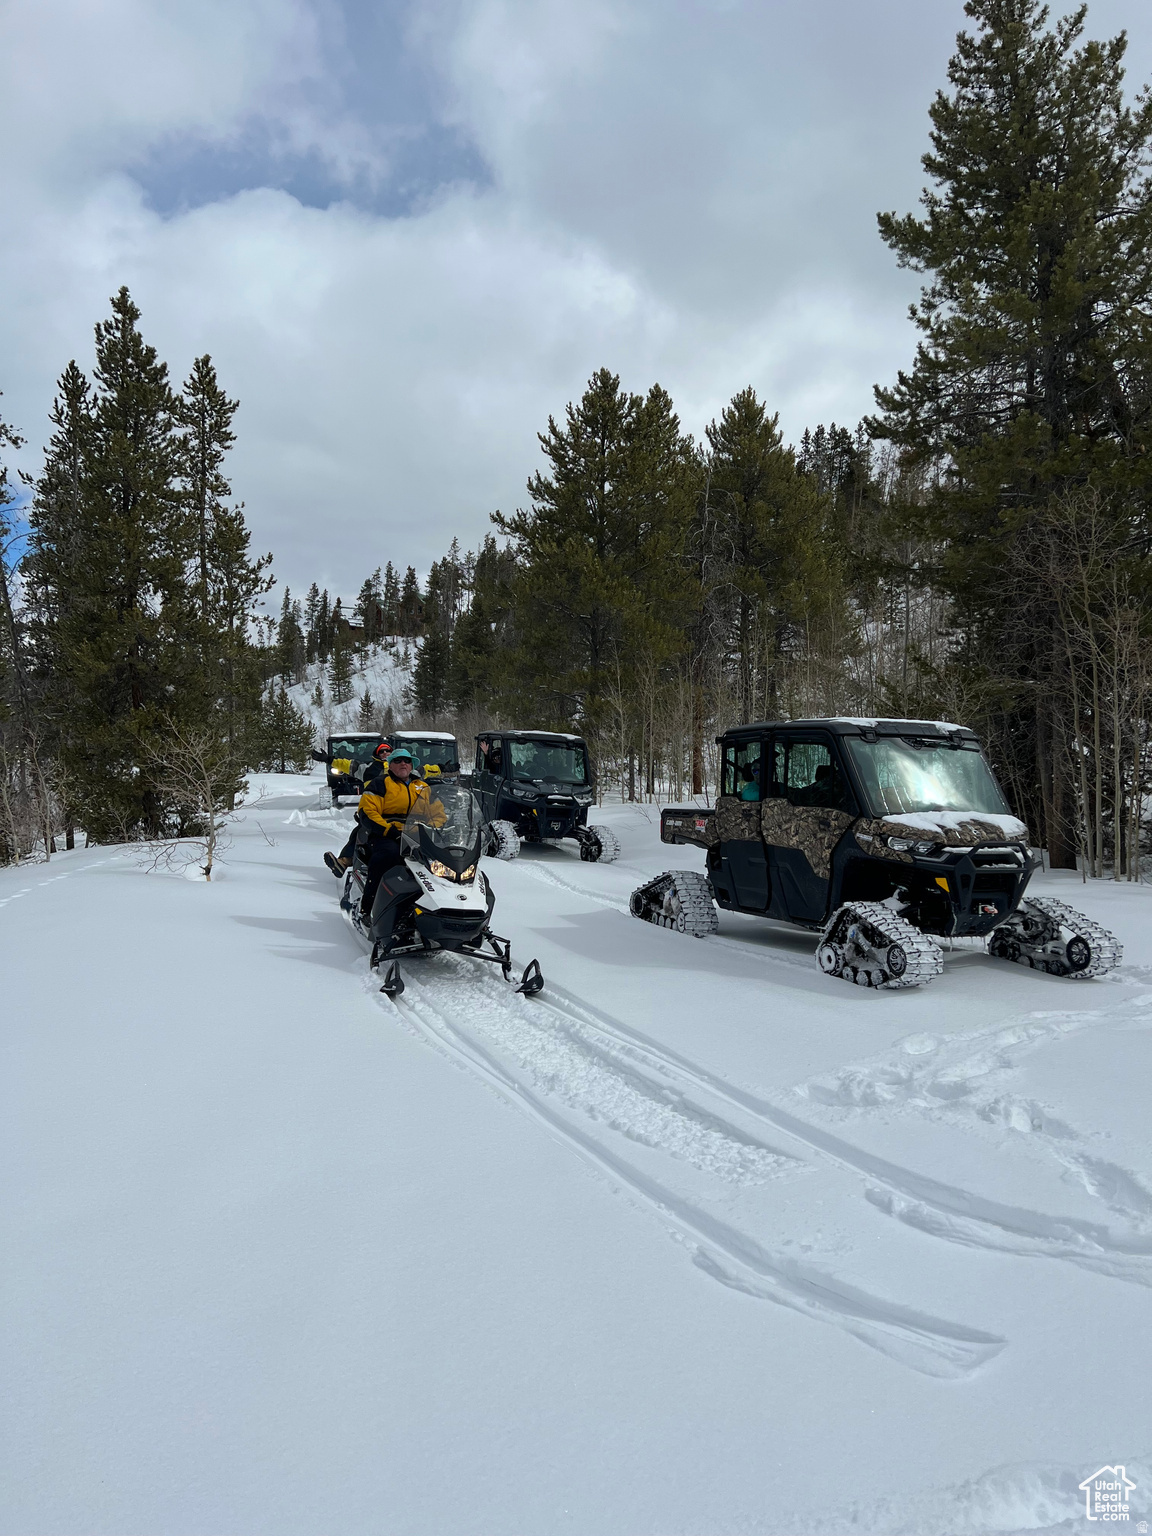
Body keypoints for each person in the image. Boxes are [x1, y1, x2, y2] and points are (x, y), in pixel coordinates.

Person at [347, 748, 441, 919]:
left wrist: (439, 828)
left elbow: (438, 814)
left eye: (406, 760)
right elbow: (368, 811)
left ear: (412, 765)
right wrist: (389, 830)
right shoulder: (380, 783)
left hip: (419, 835)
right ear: (390, 765)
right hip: (387, 834)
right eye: (398, 761)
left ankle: (442, 907)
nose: (403, 763)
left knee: (442, 864)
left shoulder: (422, 786)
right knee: (388, 857)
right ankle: (369, 908)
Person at [324, 741, 390, 877]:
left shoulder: (401, 768)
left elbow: (422, 771)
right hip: (373, 811)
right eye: (381, 751)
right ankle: (344, 862)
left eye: (387, 751)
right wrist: (329, 759)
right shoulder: (368, 769)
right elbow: (347, 765)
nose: (384, 753)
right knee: (359, 833)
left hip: (398, 811)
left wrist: (442, 768)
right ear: (377, 755)